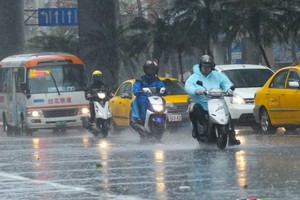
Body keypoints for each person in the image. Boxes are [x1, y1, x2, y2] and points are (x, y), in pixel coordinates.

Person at [185, 55, 240, 145]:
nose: (206, 68)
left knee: (228, 115)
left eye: (208, 66)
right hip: (202, 104)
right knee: (193, 108)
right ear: (200, 66)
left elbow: (226, 83)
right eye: (204, 66)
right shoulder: (194, 77)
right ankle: (197, 129)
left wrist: (229, 90)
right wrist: (196, 91)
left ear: (212, 66)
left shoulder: (217, 75)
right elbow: (188, 86)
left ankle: (232, 136)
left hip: (217, 102)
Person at [131, 60, 165, 125]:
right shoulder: (140, 80)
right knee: (141, 101)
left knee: (163, 100)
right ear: (145, 70)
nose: (150, 70)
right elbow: (135, 90)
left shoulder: (157, 80)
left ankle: (163, 116)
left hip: (155, 98)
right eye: (148, 69)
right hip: (144, 97)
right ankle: (142, 119)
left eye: (152, 69)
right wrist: (139, 90)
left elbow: (161, 86)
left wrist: (163, 89)